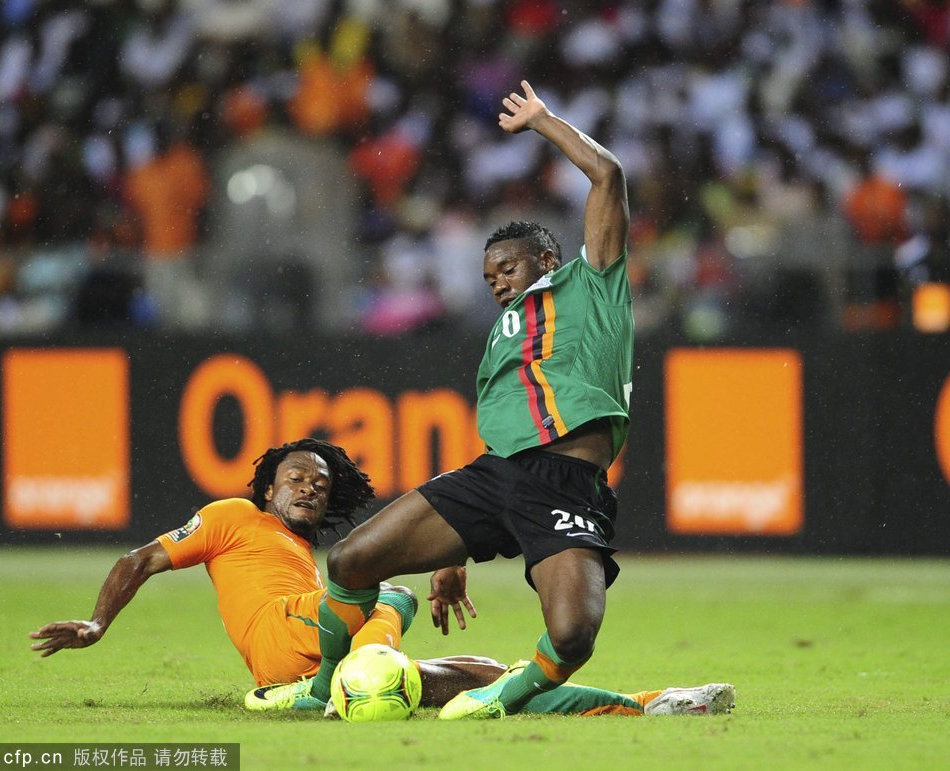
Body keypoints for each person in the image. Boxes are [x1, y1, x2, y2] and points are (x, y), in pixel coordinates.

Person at [256, 81, 735, 719]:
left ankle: (502, 695)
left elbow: (609, 176)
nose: (497, 284)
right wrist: (451, 556)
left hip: (566, 481)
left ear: (546, 258)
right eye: (489, 278)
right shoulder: (501, 338)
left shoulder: (593, 285)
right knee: (350, 559)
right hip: (497, 474)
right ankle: (318, 693)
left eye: (507, 269)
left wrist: (543, 122)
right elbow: (506, 433)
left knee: (572, 634)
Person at [29, 438, 709, 716]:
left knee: (481, 677)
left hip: (333, 642)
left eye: (320, 483)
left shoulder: (315, 558)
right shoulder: (232, 516)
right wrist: (96, 621)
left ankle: (650, 702)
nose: (307, 487)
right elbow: (139, 558)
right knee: (394, 588)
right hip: (286, 635)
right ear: (267, 485)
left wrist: (450, 559)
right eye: (294, 476)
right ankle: (329, 683)